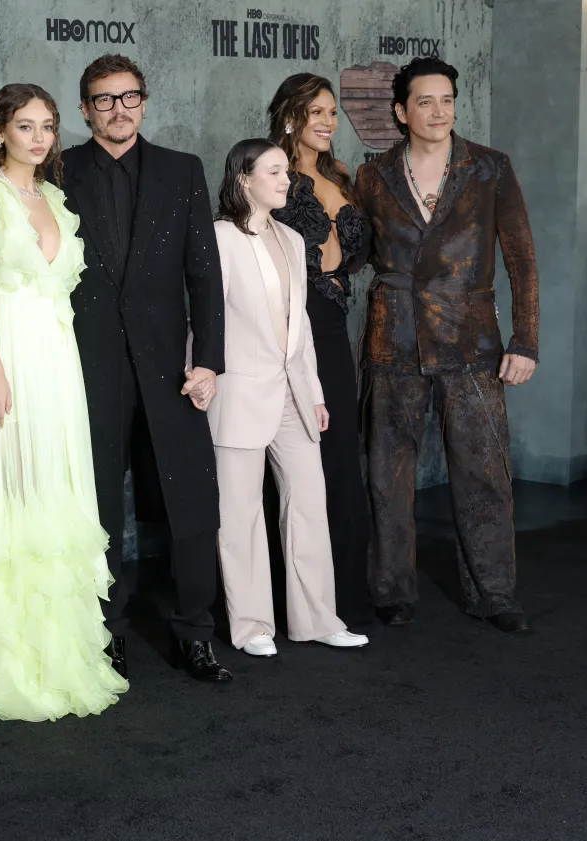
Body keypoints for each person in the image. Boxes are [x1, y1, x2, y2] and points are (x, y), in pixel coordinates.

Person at [0, 84, 129, 720]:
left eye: (47, 126)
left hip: (59, 360)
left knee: (58, 493)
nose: (38, 137)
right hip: (10, 357)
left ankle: (60, 657)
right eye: (25, 126)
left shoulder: (54, 197)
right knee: (13, 493)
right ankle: (4, 662)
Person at [60, 54, 231, 682]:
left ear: (144, 101)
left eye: (129, 97)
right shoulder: (59, 169)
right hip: (89, 365)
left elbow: (204, 277)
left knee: (190, 500)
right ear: (85, 109)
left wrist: (209, 361)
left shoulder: (181, 171)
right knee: (99, 505)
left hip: (171, 367)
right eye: (104, 100)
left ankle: (195, 632)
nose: (119, 109)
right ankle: (108, 630)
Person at [354, 56, 539, 633]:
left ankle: (495, 594)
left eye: (447, 101)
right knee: (388, 475)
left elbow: (522, 261)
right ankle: (392, 590)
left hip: (472, 340)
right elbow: (355, 254)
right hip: (395, 339)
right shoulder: (372, 174)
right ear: (400, 112)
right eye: (425, 102)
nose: (439, 112)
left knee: (485, 473)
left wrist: (525, 340)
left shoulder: (489, 168)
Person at [209, 138, 370, 656]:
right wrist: (201, 373)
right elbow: (203, 319)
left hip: (292, 396)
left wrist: (314, 393)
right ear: (244, 180)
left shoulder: (294, 240)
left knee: (308, 508)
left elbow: (297, 324)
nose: (286, 181)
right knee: (240, 517)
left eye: (286, 172)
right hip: (237, 393)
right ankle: (252, 626)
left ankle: (318, 618)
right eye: (275, 172)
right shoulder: (217, 239)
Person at [267, 73, 373, 627]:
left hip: (332, 325)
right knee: (291, 461)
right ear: (291, 117)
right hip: (287, 329)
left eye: (333, 112)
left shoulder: (342, 176)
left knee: (337, 456)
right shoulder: (270, 173)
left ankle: (342, 596)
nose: (329, 122)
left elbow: (351, 254)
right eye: (318, 113)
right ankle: (287, 599)